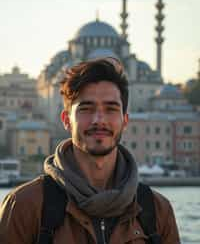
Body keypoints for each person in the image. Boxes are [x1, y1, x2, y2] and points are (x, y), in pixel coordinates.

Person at [0, 57, 180, 244]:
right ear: (67, 120)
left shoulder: (157, 211)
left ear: (125, 121)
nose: (98, 120)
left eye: (110, 109)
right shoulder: (25, 206)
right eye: (86, 109)